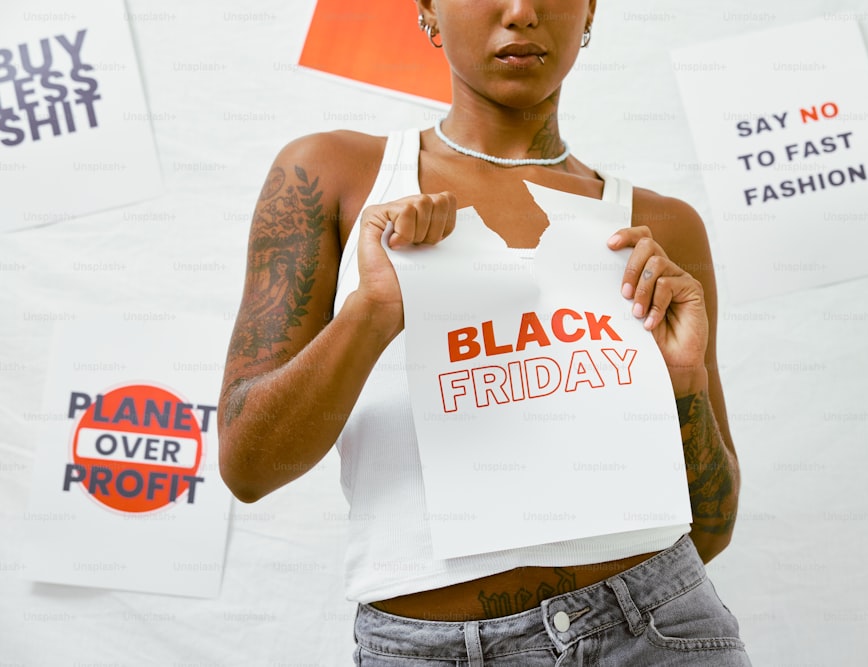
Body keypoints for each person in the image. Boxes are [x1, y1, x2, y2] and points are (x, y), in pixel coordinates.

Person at [218, 1, 750, 664]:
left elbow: (712, 529)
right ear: (429, 12)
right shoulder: (334, 176)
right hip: (423, 648)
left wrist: (681, 383)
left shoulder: (661, 226)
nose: (522, 12)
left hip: (654, 628)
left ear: (588, 12)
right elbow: (248, 465)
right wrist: (374, 309)